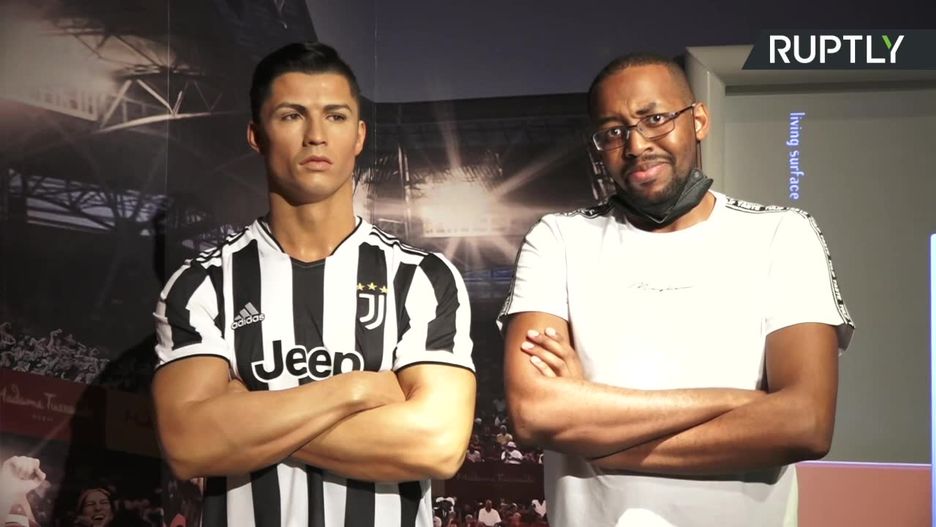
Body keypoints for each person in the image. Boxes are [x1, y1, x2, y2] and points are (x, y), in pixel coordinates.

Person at [499, 53, 854, 526]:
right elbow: (534, 413)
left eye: (655, 119)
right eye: (612, 131)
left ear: (698, 120)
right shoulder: (559, 239)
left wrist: (600, 437)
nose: (636, 144)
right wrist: (737, 401)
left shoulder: (782, 233)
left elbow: (805, 423)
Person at [151, 41, 476, 526]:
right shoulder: (202, 284)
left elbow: (438, 444)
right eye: (291, 115)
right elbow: (189, 443)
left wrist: (245, 416)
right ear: (256, 135)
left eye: (336, 116)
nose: (316, 136)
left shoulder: (422, 277)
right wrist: (357, 390)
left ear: (359, 135)